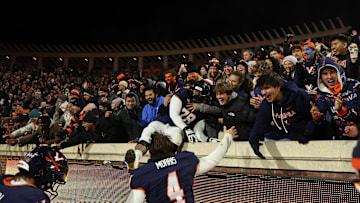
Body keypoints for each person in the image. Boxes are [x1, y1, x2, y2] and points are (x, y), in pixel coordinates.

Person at [126, 125, 238, 203]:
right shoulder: (186, 161)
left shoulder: (144, 173)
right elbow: (213, 159)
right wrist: (227, 137)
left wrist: (134, 174)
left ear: (150, 152)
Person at [249, 71, 313, 159]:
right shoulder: (266, 103)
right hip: (284, 136)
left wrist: (307, 133)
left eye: (267, 88)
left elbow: (313, 117)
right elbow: (260, 124)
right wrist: (253, 139)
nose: (263, 92)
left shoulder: (298, 96)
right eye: (262, 89)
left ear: (278, 87)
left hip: (305, 139)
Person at [310, 57, 360, 139]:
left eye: (332, 72)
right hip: (339, 137)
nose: (329, 77)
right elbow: (320, 122)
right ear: (320, 77)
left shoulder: (355, 85)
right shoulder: (321, 93)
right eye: (325, 74)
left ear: (339, 72)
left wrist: (358, 130)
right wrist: (317, 115)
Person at [188, 82, 257, 141]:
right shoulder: (225, 104)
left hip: (246, 140)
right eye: (217, 94)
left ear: (229, 94)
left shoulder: (241, 105)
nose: (218, 97)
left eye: (221, 94)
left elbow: (253, 120)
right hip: (233, 139)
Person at [0, 146, 68, 202]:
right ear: (43, 172)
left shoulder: (3, 179)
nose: (51, 184)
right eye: (52, 179)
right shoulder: (36, 197)